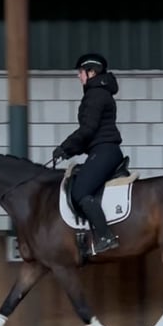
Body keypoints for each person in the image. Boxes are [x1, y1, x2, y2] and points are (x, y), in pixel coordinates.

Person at [52, 53, 124, 254]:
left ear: (91, 72)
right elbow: (91, 134)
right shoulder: (99, 93)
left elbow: (88, 130)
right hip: (102, 149)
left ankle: (105, 236)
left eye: (81, 72)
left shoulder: (95, 94)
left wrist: (65, 147)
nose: (78, 77)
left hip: (105, 151)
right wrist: (69, 151)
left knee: (80, 191)